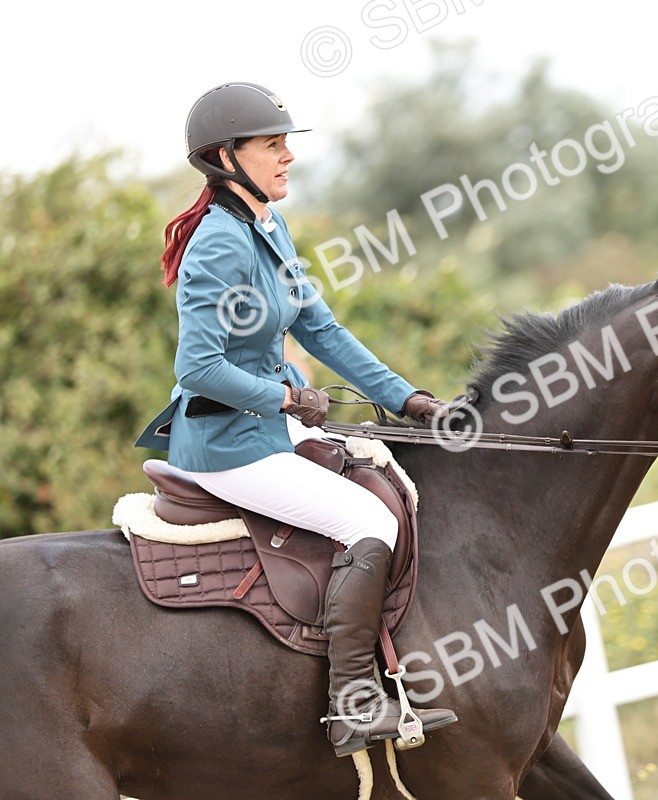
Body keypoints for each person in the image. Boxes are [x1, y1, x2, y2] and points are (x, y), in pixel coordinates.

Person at [134, 82, 457, 757]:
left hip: (271, 429)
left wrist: (408, 399)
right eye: (273, 145)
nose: (288, 157)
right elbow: (198, 368)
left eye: (287, 145)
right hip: (229, 447)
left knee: (383, 469)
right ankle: (350, 703)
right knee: (371, 522)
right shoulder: (220, 244)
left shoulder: (266, 225)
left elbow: (323, 330)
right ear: (226, 155)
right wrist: (283, 398)